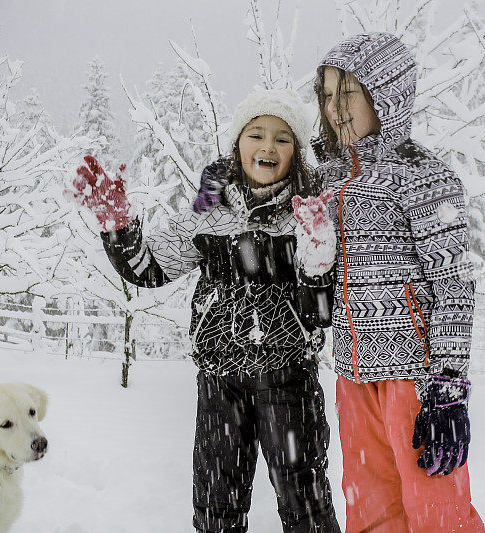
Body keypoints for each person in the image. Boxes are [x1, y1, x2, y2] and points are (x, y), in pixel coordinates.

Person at [68, 88, 341, 533]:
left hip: (289, 381)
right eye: (256, 134)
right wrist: (119, 227)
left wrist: (317, 260)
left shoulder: (308, 216)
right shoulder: (209, 214)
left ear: (297, 152)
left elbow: (321, 314)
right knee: (217, 506)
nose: (268, 147)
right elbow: (151, 269)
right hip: (220, 382)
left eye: (282, 139)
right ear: (238, 146)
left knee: (304, 501)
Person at [311, 32, 485, 532]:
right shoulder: (325, 181)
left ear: (385, 94)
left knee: (436, 513)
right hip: (352, 374)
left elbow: (454, 285)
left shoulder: (423, 176)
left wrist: (447, 386)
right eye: (327, 94)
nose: (335, 109)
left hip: (415, 375)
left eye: (349, 92)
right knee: (369, 513)